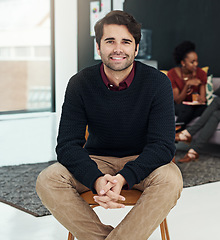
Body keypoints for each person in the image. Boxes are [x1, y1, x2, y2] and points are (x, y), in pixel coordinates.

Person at [36, 10, 183, 240]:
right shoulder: (80, 83)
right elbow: (67, 145)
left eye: (126, 42)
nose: (117, 49)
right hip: (97, 160)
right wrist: (96, 179)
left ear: (135, 48)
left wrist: (125, 177)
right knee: (48, 180)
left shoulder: (157, 83)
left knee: (171, 179)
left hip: (142, 162)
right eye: (110, 41)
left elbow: (163, 146)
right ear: (98, 47)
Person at [167, 41, 208, 130]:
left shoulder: (201, 73)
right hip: (178, 105)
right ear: (183, 63)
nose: (196, 64)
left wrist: (200, 92)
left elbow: (203, 100)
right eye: (192, 62)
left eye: (196, 61)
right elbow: (177, 100)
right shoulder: (172, 73)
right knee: (187, 109)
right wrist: (187, 84)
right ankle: (176, 132)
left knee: (205, 109)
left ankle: (176, 132)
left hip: (195, 106)